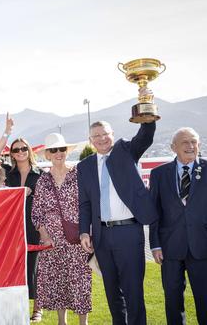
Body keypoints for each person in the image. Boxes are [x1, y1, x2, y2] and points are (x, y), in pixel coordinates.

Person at [149, 127, 207, 324]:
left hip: (206, 248)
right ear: (173, 147)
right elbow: (155, 213)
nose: (190, 146)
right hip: (170, 249)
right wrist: (155, 245)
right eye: (185, 142)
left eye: (194, 141)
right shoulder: (159, 174)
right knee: (172, 303)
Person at [77, 112, 157, 324]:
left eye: (105, 134)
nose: (102, 138)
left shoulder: (126, 150)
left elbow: (146, 135)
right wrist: (85, 231)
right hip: (102, 236)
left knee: (133, 291)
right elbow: (84, 203)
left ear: (113, 134)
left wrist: (145, 107)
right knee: (112, 292)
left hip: (128, 233)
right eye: (97, 135)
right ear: (90, 140)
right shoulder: (84, 166)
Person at [33, 133, 92, 325]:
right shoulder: (43, 180)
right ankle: (62, 322)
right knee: (59, 283)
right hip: (52, 242)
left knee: (80, 282)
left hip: (77, 240)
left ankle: (83, 323)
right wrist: (44, 236)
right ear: (48, 154)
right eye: (53, 150)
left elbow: (88, 205)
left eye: (61, 149)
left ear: (66, 151)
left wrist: (86, 232)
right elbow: (36, 212)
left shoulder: (79, 175)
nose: (58, 153)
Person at [6, 137, 43, 322]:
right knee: (15, 269)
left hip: (34, 226)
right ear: (11, 154)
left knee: (35, 268)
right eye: (16, 149)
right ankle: (18, 307)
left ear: (29, 150)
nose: (20, 152)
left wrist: (32, 192)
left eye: (23, 148)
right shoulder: (7, 174)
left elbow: (46, 202)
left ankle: (37, 308)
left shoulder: (41, 174)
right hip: (12, 227)